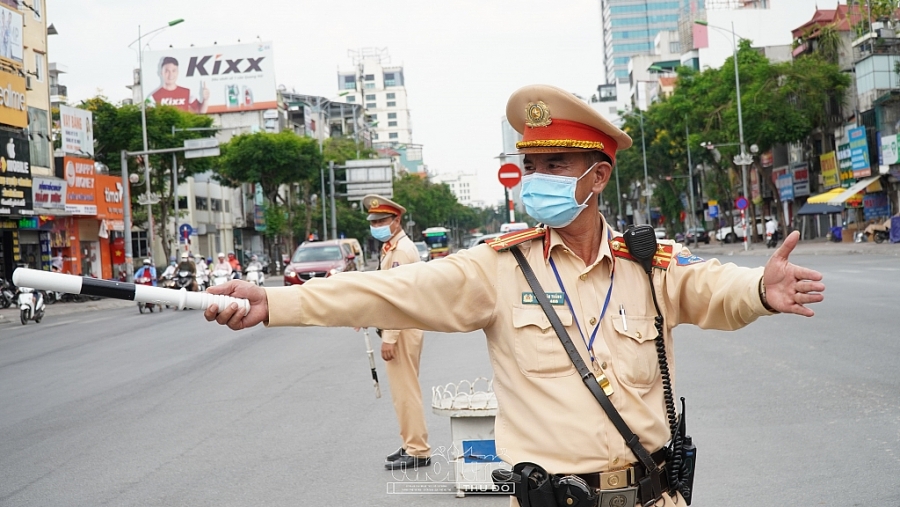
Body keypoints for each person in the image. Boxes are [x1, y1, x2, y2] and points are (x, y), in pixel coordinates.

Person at [205, 84, 825, 506]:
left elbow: (715, 287)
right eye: (531, 164)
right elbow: (391, 292)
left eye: (555, 164)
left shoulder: (647, 263)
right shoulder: (498, 269)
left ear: (598, 175)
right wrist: (274, 303)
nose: (538, 179)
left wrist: (760, 290)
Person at [361, 194, 430, 470]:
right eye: (373, 220)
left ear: (396, 220)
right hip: (403, 326)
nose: (376, 224)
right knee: (402, 390)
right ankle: (410, 442)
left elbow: (398, 298)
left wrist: (389, 337)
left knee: (406, 391)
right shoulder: (392, 247)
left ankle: (418, 449)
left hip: (402, 329)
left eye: (382, 220)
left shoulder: (400, 250)